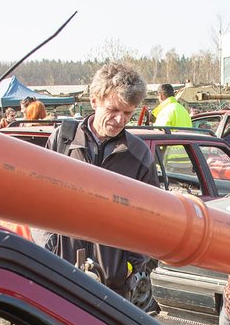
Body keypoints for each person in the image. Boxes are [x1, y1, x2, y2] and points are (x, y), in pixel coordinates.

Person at [44, 62, 159, 310]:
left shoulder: (138, 155)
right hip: (61, 275)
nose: (120, 120)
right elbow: (37, 199)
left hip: (113, 285)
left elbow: (152, 221)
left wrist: (130, 266)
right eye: (114, 109)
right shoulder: (62, 141)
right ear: (95, 100)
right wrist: (49, 250)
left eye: (128, 113)